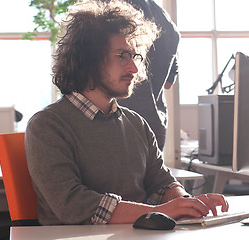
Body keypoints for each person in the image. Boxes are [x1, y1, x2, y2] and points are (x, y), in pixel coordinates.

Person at [25, 0, 228, 225]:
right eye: (122, 56)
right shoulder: (48, 125)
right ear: (88, 59)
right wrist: (164, 211)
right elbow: (73, 205)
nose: (133, 68)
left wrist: (188, 204)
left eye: (135, 57)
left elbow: (162, 183)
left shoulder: (137, 124)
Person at [114, 0, 180, 150]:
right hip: (154, 119)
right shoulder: (162, 16)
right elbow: (169, 83)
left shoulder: (114, 7)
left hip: (122, 122)